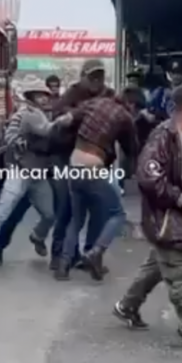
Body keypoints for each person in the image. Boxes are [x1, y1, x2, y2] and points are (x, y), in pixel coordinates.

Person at [113, 80, 182, 348]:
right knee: (178, 271)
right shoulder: (162, 136)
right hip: (164, 217)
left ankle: (127, 305)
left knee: (159, 264)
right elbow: (149, 178)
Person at [0, 85, 66, 274]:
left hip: (38, 174)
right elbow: (25, 133)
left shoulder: (46, 114)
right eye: (39, 96)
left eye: (45, 95)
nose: (44, 99)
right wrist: (18, 142)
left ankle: (37, 236)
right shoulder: (27, 114)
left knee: (49, 214)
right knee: (1, 215)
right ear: (31, 98)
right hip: (20, 172)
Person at [53, 88, 138, 281]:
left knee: (76, 219)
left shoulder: (95, 103)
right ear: (132, 104)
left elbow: (69, 118)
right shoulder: (125, 117)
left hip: (73, 165)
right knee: (117, 214)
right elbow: (131, 149)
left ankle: (63, 266)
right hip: (92, 169)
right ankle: (95, 252)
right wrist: (132, 172)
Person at [48, 59, 114, 270]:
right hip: (66, 158)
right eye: (92, 76)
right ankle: (60, 254)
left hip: (96, 161)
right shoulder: (72, 94)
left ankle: (90, 256)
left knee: (99, 209)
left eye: (99, 76)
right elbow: (58, 117)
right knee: (67, 208)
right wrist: (79, 117)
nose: (96, 80)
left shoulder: (109, 96)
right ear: (83, 77)